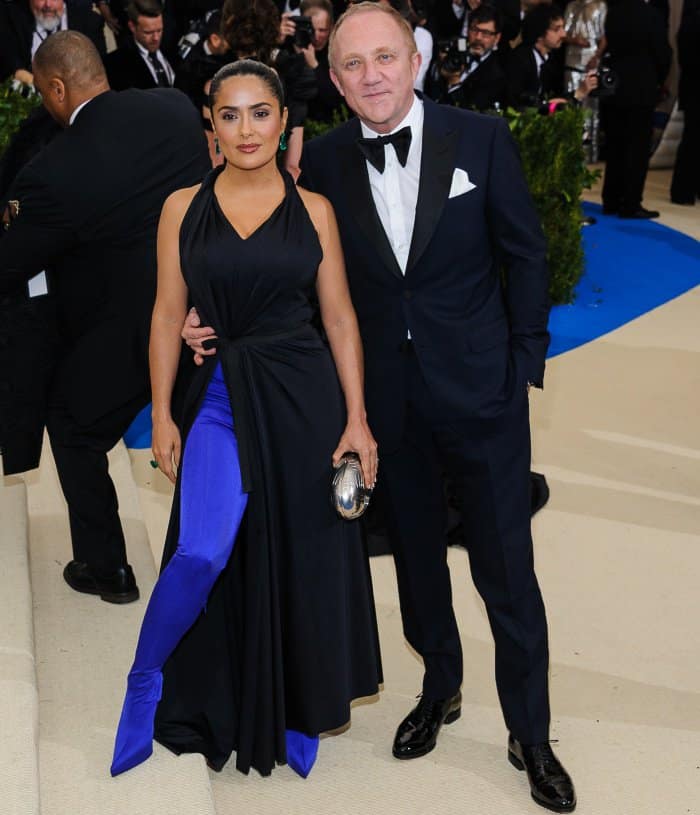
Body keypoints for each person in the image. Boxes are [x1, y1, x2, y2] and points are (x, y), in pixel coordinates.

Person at [184, 3, 576, 811]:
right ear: (332, 78)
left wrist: (522, 364)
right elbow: (292, 274)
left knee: (509, 571)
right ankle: (440, 686)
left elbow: (525, 252)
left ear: (416, 59)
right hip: (387, 409)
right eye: (354, 64)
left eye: (386, 58)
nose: (372, 76)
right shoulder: (322, 162)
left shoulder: (481, 139)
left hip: (482, 395)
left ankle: (531, 733)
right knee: (421, 563)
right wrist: (208, 317)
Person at [111, 59, 382, 780]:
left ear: (283, 120)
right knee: (202, 549)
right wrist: (163, 411)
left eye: (259, 112)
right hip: (224, 402)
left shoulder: (315, 209)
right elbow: (167, 314)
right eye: (229, 115)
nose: (245, 129)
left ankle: (293, 702)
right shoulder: (181, 208)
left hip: (304, 400)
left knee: (300, 556)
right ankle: (146, 675)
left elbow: (341, 318)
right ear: (211, 127)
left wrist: (357, 419)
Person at [0, 32, 210, 601]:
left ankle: (107, 568)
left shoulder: (55, 169)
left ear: (58, 87)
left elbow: (13, 263)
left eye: (46, 93)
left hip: (129, 332)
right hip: (206, 314)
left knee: (72, 426)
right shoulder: (173, 108)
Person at [599, 0, 671, 218]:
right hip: (641, 88)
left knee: (616, 145)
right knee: (637, 149)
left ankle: (611, 199)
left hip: (616, 87)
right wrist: (659, 79)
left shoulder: (614, 12)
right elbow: (662, 53)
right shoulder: (651, 14)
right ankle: (630, 203)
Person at [0, 0, 106, 85]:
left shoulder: (90, 21)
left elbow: (99, 72)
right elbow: (9, 63)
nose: (48, 5)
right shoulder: (10, 19)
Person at [427, 4, 507, 111]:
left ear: (497, 38)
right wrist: (438, 67)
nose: (478, 37)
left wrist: (454, 81)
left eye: (485, 33)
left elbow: (471, 113)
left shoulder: (496, 76)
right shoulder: (456, 48)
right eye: (474, 30)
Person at [104, 0, 176, 90]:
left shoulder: (175, 51)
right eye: (148, 32)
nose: (156, 38)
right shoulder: (116, 64)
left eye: (159, 30)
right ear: (132, 27)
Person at [669, 0, 700, 206]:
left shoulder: (688, 24)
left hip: (691, 88)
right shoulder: (693, 23)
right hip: (696, 89)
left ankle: (686, 189)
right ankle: (683, 190)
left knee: (692, 139)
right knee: (692, 140)